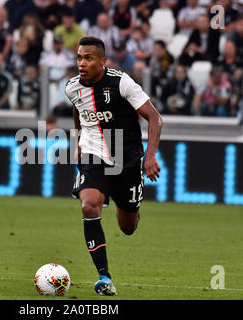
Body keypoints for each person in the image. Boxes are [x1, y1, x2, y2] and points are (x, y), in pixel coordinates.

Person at [66, 36, 162, 295]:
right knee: (88, 205)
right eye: (79, 57)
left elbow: (155, 118)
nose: (81, 63)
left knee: (127, 227)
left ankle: (130, 207)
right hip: (93, 156)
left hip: (127, 161)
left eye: (88, 58)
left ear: (102, 61)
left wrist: (150, 156)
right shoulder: (72, 87)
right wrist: (78, 143)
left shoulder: (122, 83)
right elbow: (77, 108)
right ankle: (104, 277)